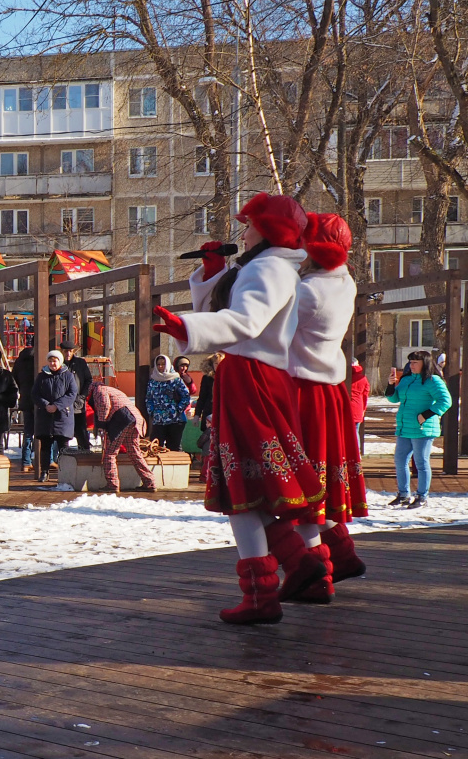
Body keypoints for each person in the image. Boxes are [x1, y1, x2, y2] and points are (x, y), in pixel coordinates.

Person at [151, 192, 323, 625]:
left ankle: (263, 593)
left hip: (251, 380)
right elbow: (229, 317)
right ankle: (296, 563)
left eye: (248, 225)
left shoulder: (268, 268)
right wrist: (212, 277)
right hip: (251, 378)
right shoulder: (268, 267)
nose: (242, 233)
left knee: (241, 492)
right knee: (250, 488)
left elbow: (243, 322)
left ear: (266, 230)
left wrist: (184, 324)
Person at [277, 212, 364, 601]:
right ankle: (341, 554)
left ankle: (317, 573)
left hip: (301, 391)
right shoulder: (345, 282)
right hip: (328, 391)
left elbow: (266, 329)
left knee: (300, 488)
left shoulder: (307, 292)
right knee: (318, 483)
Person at [385, 351, 452, 509]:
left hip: (423, 429)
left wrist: (426, 414)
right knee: (400, 461)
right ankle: (403, 494)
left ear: (425, 363)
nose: (412, 365)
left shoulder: (432, 380)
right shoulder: (406, 379)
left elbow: (446, 400)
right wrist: (390, 385)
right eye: (411, 362)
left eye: (415, 362)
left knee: (421, 463)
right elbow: (394, 398)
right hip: (405, 427)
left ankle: (422, 496)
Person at [86, 380, 155, 493]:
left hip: (121, 420)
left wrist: (102, 425)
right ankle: (150, 482)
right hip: (135, 419)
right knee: (134, 453)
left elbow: (104, 406)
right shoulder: (111, 389)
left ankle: (112, 484)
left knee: (110, 453)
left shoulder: (98, 390)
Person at [31, 350, 77, 482]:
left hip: (62, 416)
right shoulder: (41, 376)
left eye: (55, 360)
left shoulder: (68, 375)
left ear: (60, 361)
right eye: (50, 361)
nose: (52, 363)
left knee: (63, 446)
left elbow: (72, 393)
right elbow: (35, 394)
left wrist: (57, 405)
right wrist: (46, 405)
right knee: (45, 446)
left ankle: (64, 473)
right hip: (45, 416)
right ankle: (44, 472)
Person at [145, 355, 192, 449]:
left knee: (174, 447)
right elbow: (149, 398)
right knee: (155, 447)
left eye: (163, 364)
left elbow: (186, 396)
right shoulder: (153, 380)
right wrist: (152, 411)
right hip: (159, 420)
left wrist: (177, 410)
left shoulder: (175, 379)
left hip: (175, 421)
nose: (160, 367)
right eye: (158, 364)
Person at [61, 336, 93, 450]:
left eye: (70, 351)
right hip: (63, 404)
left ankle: (85, 452)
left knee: (81, 431)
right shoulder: (59, 364)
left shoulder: (80, 363)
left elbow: (88, 380)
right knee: (63, 433)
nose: (68, 354)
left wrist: (82, 397)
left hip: (78, 403)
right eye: (65, 351)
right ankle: (62, 456)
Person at [11, 346, 37, 469]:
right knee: (47, 432)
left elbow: (14, 378)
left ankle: (26, 462)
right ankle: (48, 459)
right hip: (40, 400)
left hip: (26, 399)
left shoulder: (20, 360)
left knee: (28, 433)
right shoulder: (39, 358)